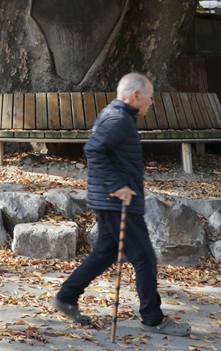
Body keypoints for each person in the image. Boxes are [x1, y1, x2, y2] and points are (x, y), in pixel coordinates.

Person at [51, 72, 191, 337]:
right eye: (150, 97)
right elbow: (94, 150)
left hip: (110, 200)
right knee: (144, 258)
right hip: (117, 202)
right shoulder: (118, 119)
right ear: (136, 95)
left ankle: (67, 297)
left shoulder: (119, 116)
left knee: (105, 253)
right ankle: (153, 318)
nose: (151, 102)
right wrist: (117, 186)